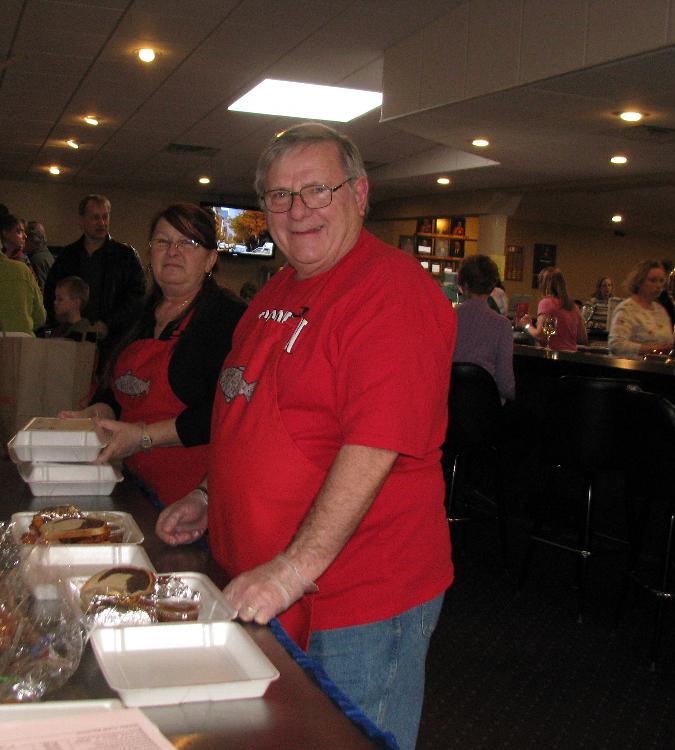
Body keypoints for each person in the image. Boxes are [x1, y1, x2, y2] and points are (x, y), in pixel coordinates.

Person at [156, 123, 455, 750]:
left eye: (317, 190)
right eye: (280, 196)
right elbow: (249, 409)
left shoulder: (391, 292)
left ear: (361, 193)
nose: (299, 211)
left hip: (354, 600)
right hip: (267, 587)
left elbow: (373, 447)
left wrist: (293, 569)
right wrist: (209, 497)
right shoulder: (276, 291)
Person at [60, 203, 246, 506]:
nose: (173, 251)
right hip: (133, 485)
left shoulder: (229, 318)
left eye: (188, 242)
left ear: (211, 259)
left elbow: (225, 413)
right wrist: (97, 415)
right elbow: (112, 392)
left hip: (195, 499)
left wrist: (143, 436)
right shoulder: (133, 316)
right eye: (163, 241)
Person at [43, 194, 146, 358]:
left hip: (111, 343)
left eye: (105, 217)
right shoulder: (67, 256)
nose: (102, 223)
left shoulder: (125, 256)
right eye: (95, 218)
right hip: (71, 340)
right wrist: (63, 320)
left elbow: (136, 299)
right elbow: (50, 293)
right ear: (82, 220)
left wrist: (108, 324)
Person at [454, 255, 515, 402]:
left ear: (463, 284)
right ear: (492, 285)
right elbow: (506, 385)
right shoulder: (502, 326)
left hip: (451, 408)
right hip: (486, 411)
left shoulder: (448, 319)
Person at [0, 219, 46, 336]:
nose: (24, 236)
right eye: (19, 231)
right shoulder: (23, 270)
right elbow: (40, 318)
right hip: (23, 344)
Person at [608, 260, 674, 357]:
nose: (659, 286)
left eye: (661, 281)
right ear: (639, 281)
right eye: (653, 280)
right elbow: (616, 345)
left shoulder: (660, 310)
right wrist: (654, 349)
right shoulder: (626, 309)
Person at [521, 268, 587, 351]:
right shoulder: (574, 306)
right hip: (571, 357)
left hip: (552, 355)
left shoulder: (546, 303)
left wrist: (527, 325)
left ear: (543, 284)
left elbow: (541, 336)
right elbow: (583, 338)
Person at [49, 276, 94, 341]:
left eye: (60, 299)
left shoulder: (83, 333)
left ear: (76, 303)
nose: (55, 302)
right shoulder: (58, 330)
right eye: (56, 298)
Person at [24, 220, 55, 289]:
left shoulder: (36, 260)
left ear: (33, 239)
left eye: (25, 239)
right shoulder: (47, 254)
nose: (23, 242)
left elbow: (40, 288)